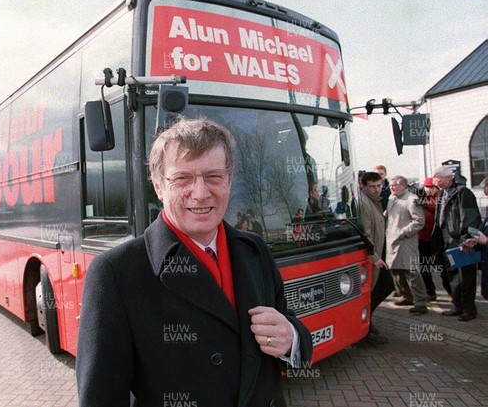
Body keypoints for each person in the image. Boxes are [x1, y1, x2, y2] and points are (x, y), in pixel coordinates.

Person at [76, 117, 313, 406]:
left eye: (214, 176)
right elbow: (101, 398)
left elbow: (289, 327)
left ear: (229, 180)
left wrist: (291, 339)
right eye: (183, 178)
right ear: (159, 186)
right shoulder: (116, 273)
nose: (200, 193)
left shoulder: (256, 251)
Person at [433, 167, 481, 321]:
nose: (436, 181)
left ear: (449, 178)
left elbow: (470, 216)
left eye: (438, 178)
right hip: (446, 241)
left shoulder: (462, 192)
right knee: (453, 276)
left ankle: (469, 309)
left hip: (461, 241)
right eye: (435, 178)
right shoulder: (442, 193)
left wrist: (466, 239)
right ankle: (457, 306)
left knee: (466, 276)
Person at [385, 175, 427, 314]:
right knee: (396, 271)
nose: (391, 187)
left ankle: (420, 302)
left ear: (404, 185)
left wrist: (402, 233)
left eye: (394, 185)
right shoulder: (392, 198)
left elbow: (419, 221)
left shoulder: (411, 199)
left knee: (412, 272)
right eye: (390, 185)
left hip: (406, 242)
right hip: (392, 241)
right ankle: (406, 296)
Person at [360, 172, 393, 343]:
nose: (377, 189)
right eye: (372, 186)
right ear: (364, 186)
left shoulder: (374, 202)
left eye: (379, 185)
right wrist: (374, 257)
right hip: (374, 258)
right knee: (385, 285)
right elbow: (366, 233)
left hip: (379, 254)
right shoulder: (365, 204)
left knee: (382, 287)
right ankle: (364, 326)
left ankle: (367, 324)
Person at [417, 178, 439, 301]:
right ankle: (430, 291)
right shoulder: (422, 199)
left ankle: (452, 293)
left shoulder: (440, 198)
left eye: (432, 187)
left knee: (442, 267)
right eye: (427, 187)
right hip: (423, 238)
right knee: (424, 266)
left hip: (436, 239)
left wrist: (425, 204)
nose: (429, 189)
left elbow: (436, 208)